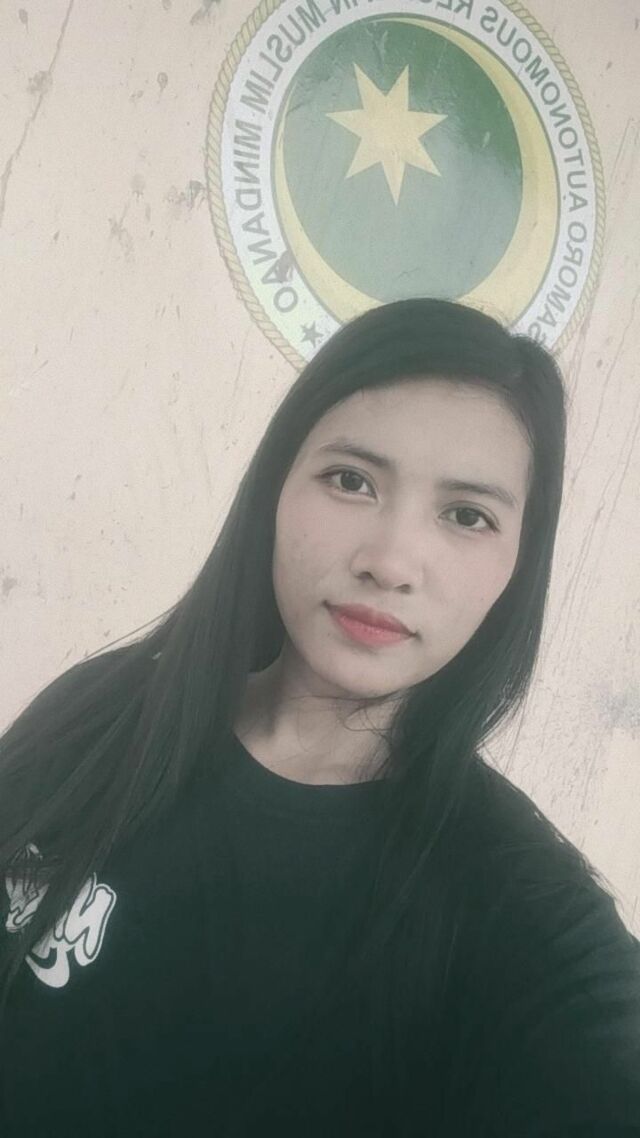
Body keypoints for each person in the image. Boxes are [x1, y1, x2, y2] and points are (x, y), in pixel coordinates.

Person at [0, 298, 638, 1137]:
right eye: (351, 480)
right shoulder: (102, 709)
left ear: (517, 566)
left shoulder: (514, 904)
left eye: (467, 515)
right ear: (275, 486)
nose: (391, 561)